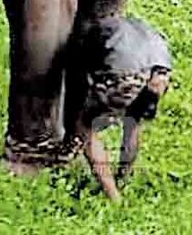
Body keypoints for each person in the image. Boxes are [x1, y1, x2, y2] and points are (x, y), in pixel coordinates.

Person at [70, 16, 172, 201]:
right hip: (160, 72)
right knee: (133, 123)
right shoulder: (126, 26)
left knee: (84, 128)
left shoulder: (84, 37)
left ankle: (113, 196)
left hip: (124, 71)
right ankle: (123, 178)